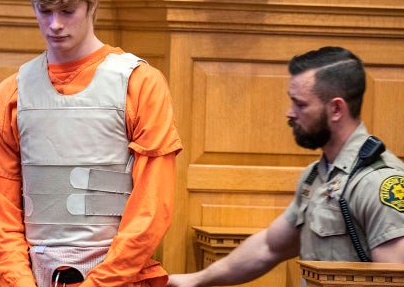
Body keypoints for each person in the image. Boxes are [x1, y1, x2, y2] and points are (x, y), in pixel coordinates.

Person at [0, 0, 183, 286]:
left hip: (119, 277)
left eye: (68, 10)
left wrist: (100, 283)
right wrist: (19, 281)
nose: (55, 24)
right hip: (35, 275)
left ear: (93, 2)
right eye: (44, 10)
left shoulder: (140, 84)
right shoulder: (9, 95)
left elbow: (152, 206)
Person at [167, 46, 404, 287]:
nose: (289, 113)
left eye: (300, 104)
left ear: (336, 109)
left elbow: (393, 279)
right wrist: (194, 280)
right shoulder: (316, 176)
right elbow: (268, 247)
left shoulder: (378, 183)